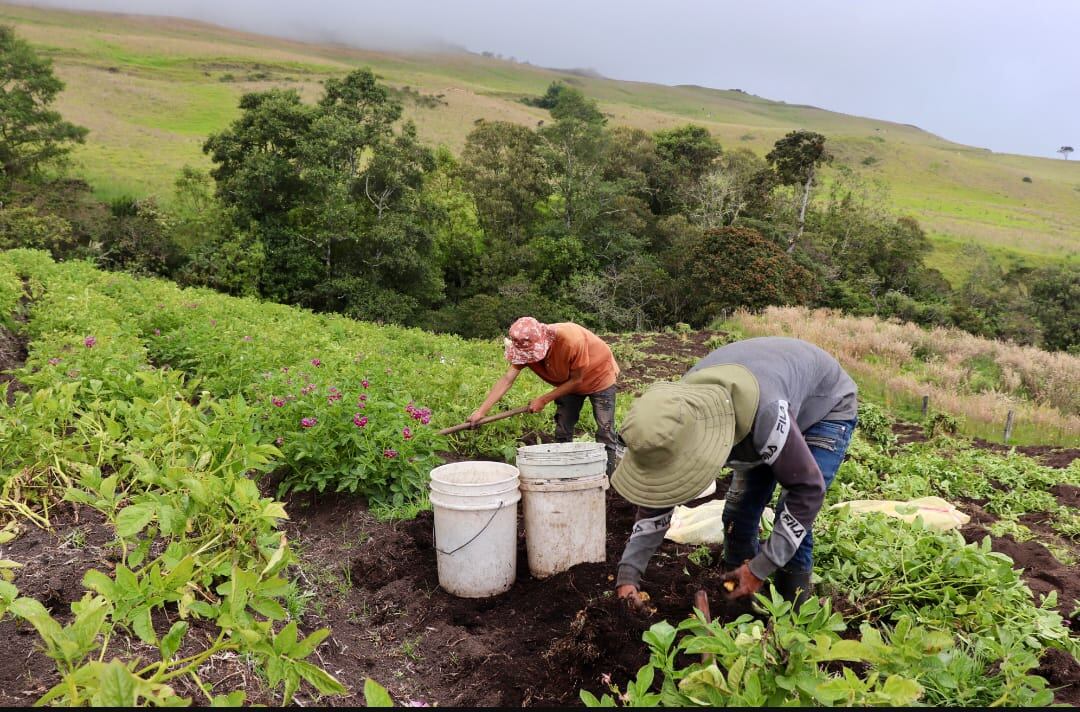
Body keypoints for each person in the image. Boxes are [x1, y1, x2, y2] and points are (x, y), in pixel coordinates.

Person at [611, 336, 857, 608]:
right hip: (764, 397)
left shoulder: (763, 415)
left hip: (823, 405)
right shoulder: (675, 418)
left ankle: (793, 613)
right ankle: (739, 599)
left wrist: (760, 568)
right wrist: (628, 575)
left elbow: (807, 491)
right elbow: (660, 492)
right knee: (738, 514)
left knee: (791, 512)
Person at [468, 316, 621, 476]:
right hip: (567, 382)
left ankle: (609, 478)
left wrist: (543, 399)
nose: (528, 358)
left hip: (599, 376)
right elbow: (507, 379)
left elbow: (577, 380)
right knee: (563, 428)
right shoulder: (524, 345)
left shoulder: (571, 340)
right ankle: (565, 475)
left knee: (605, 429)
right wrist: (481, 411)